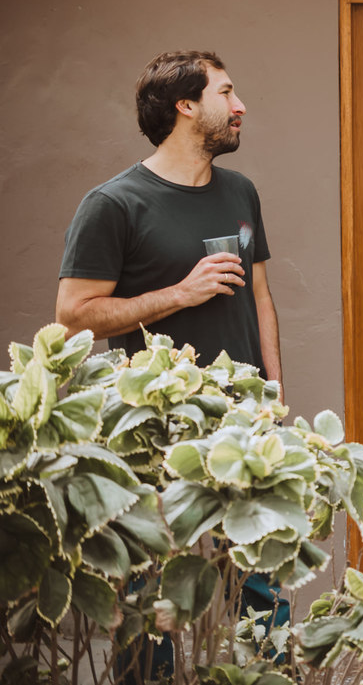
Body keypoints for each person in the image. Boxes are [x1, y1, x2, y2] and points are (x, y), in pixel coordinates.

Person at [56, 50, 287, 681]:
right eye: (227, 93)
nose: (240, 107)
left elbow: (261, 301)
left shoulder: (240, 191)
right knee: (151, 591)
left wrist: (274, 401)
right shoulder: (114, 204)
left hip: (246, 430)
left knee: (261, 583)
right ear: (186, 106)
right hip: (154, 432)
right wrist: (178, 295)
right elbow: (74, 316)